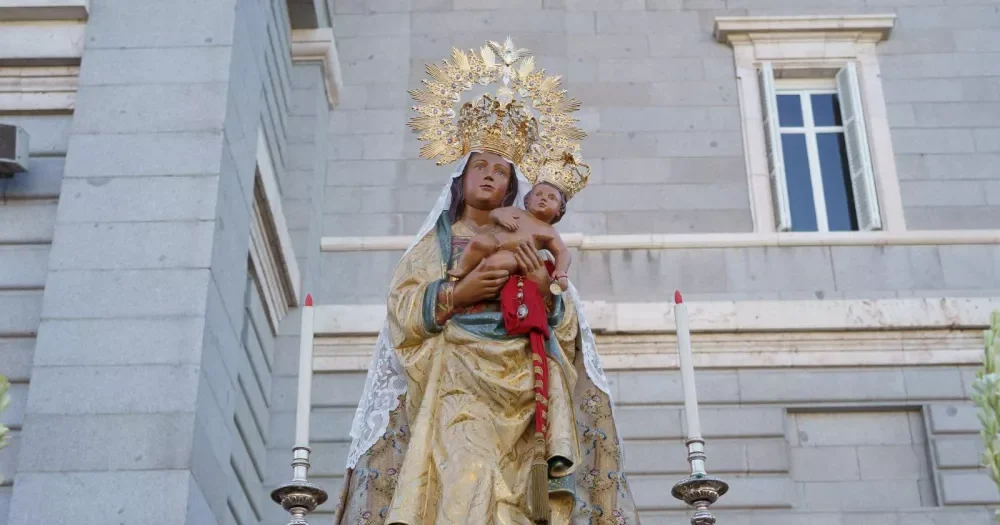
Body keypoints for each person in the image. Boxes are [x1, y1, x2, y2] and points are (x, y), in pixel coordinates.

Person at [332, 38, 638, 525]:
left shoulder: (533, 239)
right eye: (481, 166)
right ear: (462, 177)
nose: (491, 176)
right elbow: (404, 312)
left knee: (517, 500)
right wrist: (459, 293)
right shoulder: (438, 244)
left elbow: (566, 326)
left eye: (501, 171)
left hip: (526, 378)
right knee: (467, 477)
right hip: (459, 374)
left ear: (516, 190)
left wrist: (544, 287)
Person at [447, 161, 585, 296]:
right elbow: (495, 213)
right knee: (478, 242)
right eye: (538, 194)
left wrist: (560, 272)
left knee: (496, 264)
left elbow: (562, 252)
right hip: (494, 240)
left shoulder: (548, 231)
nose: (543, 199)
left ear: (559, 211)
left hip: (515, 255)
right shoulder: (516, 212)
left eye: (551, 198)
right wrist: (501, 217)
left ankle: (488, 287)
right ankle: (463, 269)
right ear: (527, 199)